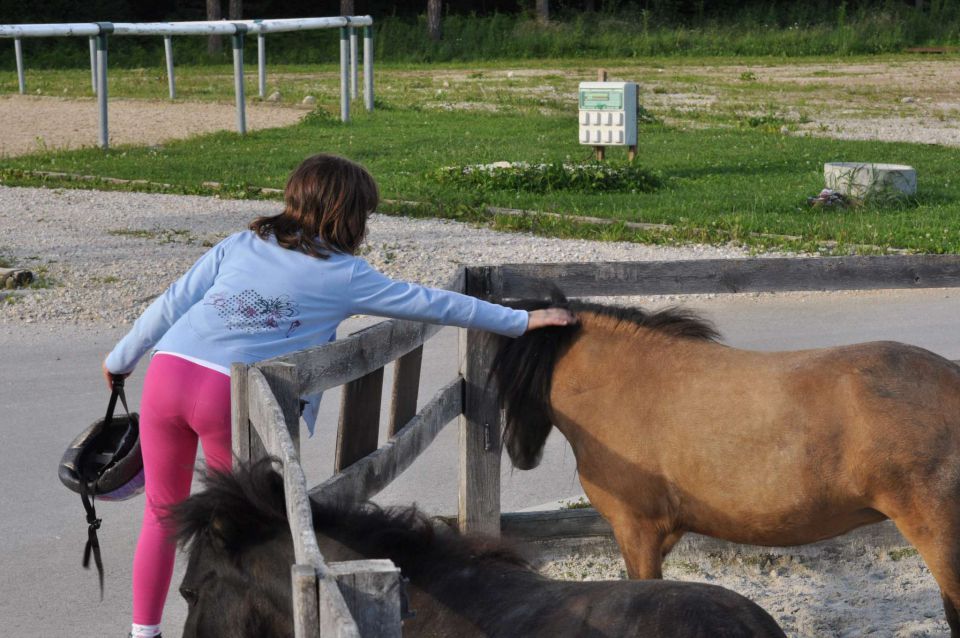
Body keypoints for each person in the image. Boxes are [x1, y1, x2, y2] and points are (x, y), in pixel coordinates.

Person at [102, 153, 576, 638]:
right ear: (347, 214)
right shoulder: (345, 274)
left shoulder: (243, 243)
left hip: (168, 373)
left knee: (161, 514)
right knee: (241, 529)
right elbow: (433, 303)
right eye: (364, 214)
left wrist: (120, 360)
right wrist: (519, 320)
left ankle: (144, 632)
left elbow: (174, 301)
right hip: (230, 394)